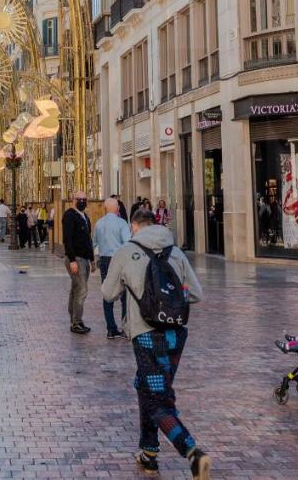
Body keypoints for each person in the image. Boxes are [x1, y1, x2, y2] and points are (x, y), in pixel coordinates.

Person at [102, 206, 209, 479]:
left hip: (146, 334)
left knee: (157, 401)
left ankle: (192, 452)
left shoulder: (126, 250)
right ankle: (149, 452)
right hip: (176, 333)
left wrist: (134, 284)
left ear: (134, 226)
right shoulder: (175, 251)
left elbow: (108, 292)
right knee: (147, 387)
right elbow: (195, 294)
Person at [93, 195, 132, 339]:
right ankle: (125, 326)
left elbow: (94, 243)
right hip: (120, 260)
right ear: (117, 208)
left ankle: (110, 328)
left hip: (105, 261)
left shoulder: (99, 223)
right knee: (125, 294)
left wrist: (94, 260)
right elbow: (128, 243)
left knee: (107, 293)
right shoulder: (122, 223)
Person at [62, 191, 95, 335]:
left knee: (76, 289)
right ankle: (76, 322)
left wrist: (92, 259)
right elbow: (67, 239)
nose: (82, 201)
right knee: (82, 290)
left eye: (84, 199)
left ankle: (75, 320)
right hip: (76, 259)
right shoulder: (70, 215)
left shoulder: (85, 216)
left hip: (84, 258)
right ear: (73, 200)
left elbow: (88, 239)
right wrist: (72, 260)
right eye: (79, 199)